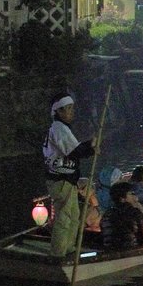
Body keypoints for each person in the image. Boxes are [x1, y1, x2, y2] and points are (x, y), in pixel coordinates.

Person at [42, 92, 95, 258]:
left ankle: (69, 248)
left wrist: (89, 146)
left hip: (67, 180)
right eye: (68, 109)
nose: (72, 112)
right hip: (61, 180)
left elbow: (75, 149)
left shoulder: (61, 129)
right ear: (58, 111)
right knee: (64, 217)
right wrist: (90, 148)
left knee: (73, 215)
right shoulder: (59, 129)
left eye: (72, 108)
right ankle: (58, 253)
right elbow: (74, 152)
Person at [100, 182, 143, 250]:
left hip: (111, 251)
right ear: (122, 199)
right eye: (131, 194)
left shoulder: (106, 215)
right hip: (132, 251)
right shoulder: (133, 212)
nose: (134, 196)